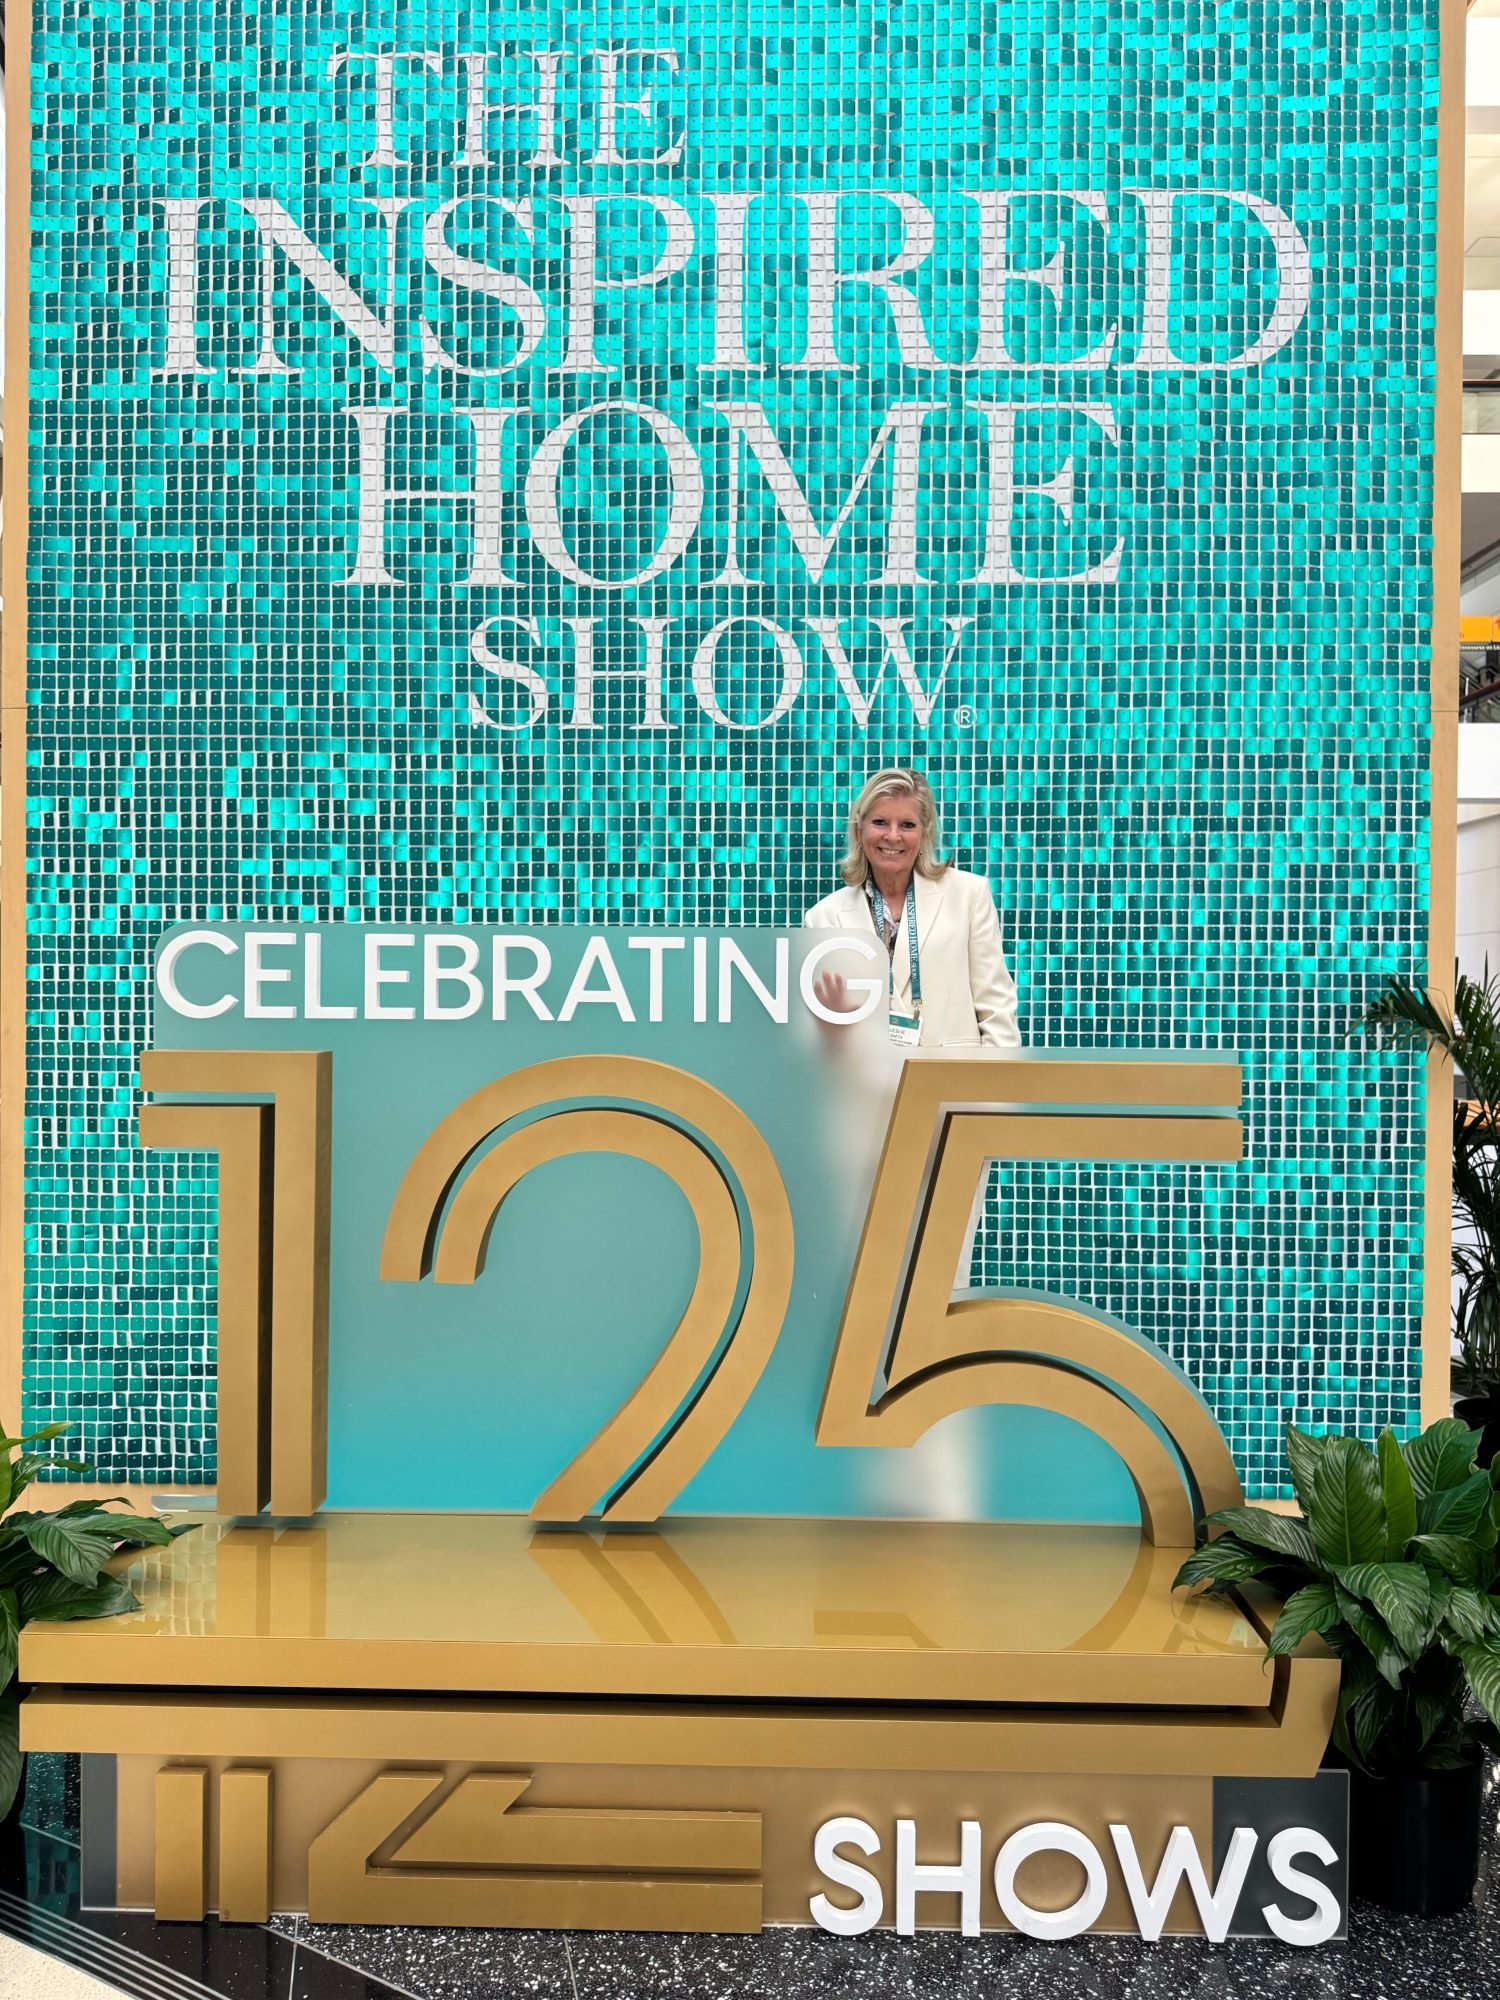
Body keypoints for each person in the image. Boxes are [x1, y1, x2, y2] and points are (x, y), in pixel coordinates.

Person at [804, 769, 1021, 1049]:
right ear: (859, 829)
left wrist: (991, 1086)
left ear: (925, 832)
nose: (892, 836)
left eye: (907, 825)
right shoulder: (823, 917)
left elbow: (997, 1010)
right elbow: (819, 1033)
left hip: (955, 1083)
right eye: (880, 822)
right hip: (868, 1084)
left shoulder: (969, 894)